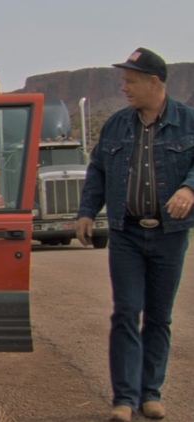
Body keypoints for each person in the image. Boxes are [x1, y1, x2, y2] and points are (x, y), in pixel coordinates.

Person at [76, 47, 194, 422]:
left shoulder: (189, 122)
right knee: (126, 312)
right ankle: (124, 400)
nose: (123, 87)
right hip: (125, 233)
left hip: (170, 234)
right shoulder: (115, 125)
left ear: (154, 82)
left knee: (159, 317)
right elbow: (97, 170)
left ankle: (151, 394)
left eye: (130, 81)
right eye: (123, 80)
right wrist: (85, 212)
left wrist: (189, 189)